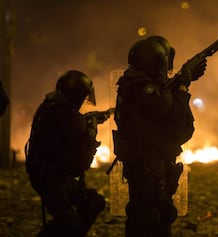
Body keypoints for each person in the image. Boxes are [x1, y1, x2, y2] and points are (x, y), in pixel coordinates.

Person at [113, 36, 207, 237]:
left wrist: (186, 78)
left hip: (154, 159)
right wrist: (182, 87)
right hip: (146, 162)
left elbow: (164, 101)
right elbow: (170, 114)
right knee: (146, 217)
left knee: (161, 215)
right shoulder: (141, 87)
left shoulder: (141, 83)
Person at [25, 70, 105, 237]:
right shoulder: (62, 112)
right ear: (77, 94)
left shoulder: (53, 106)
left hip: (55, 175)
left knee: (93, 202)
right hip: (48, 177)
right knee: (69, 222)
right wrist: (91, 128)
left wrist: (89, 120)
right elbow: (81, 158)